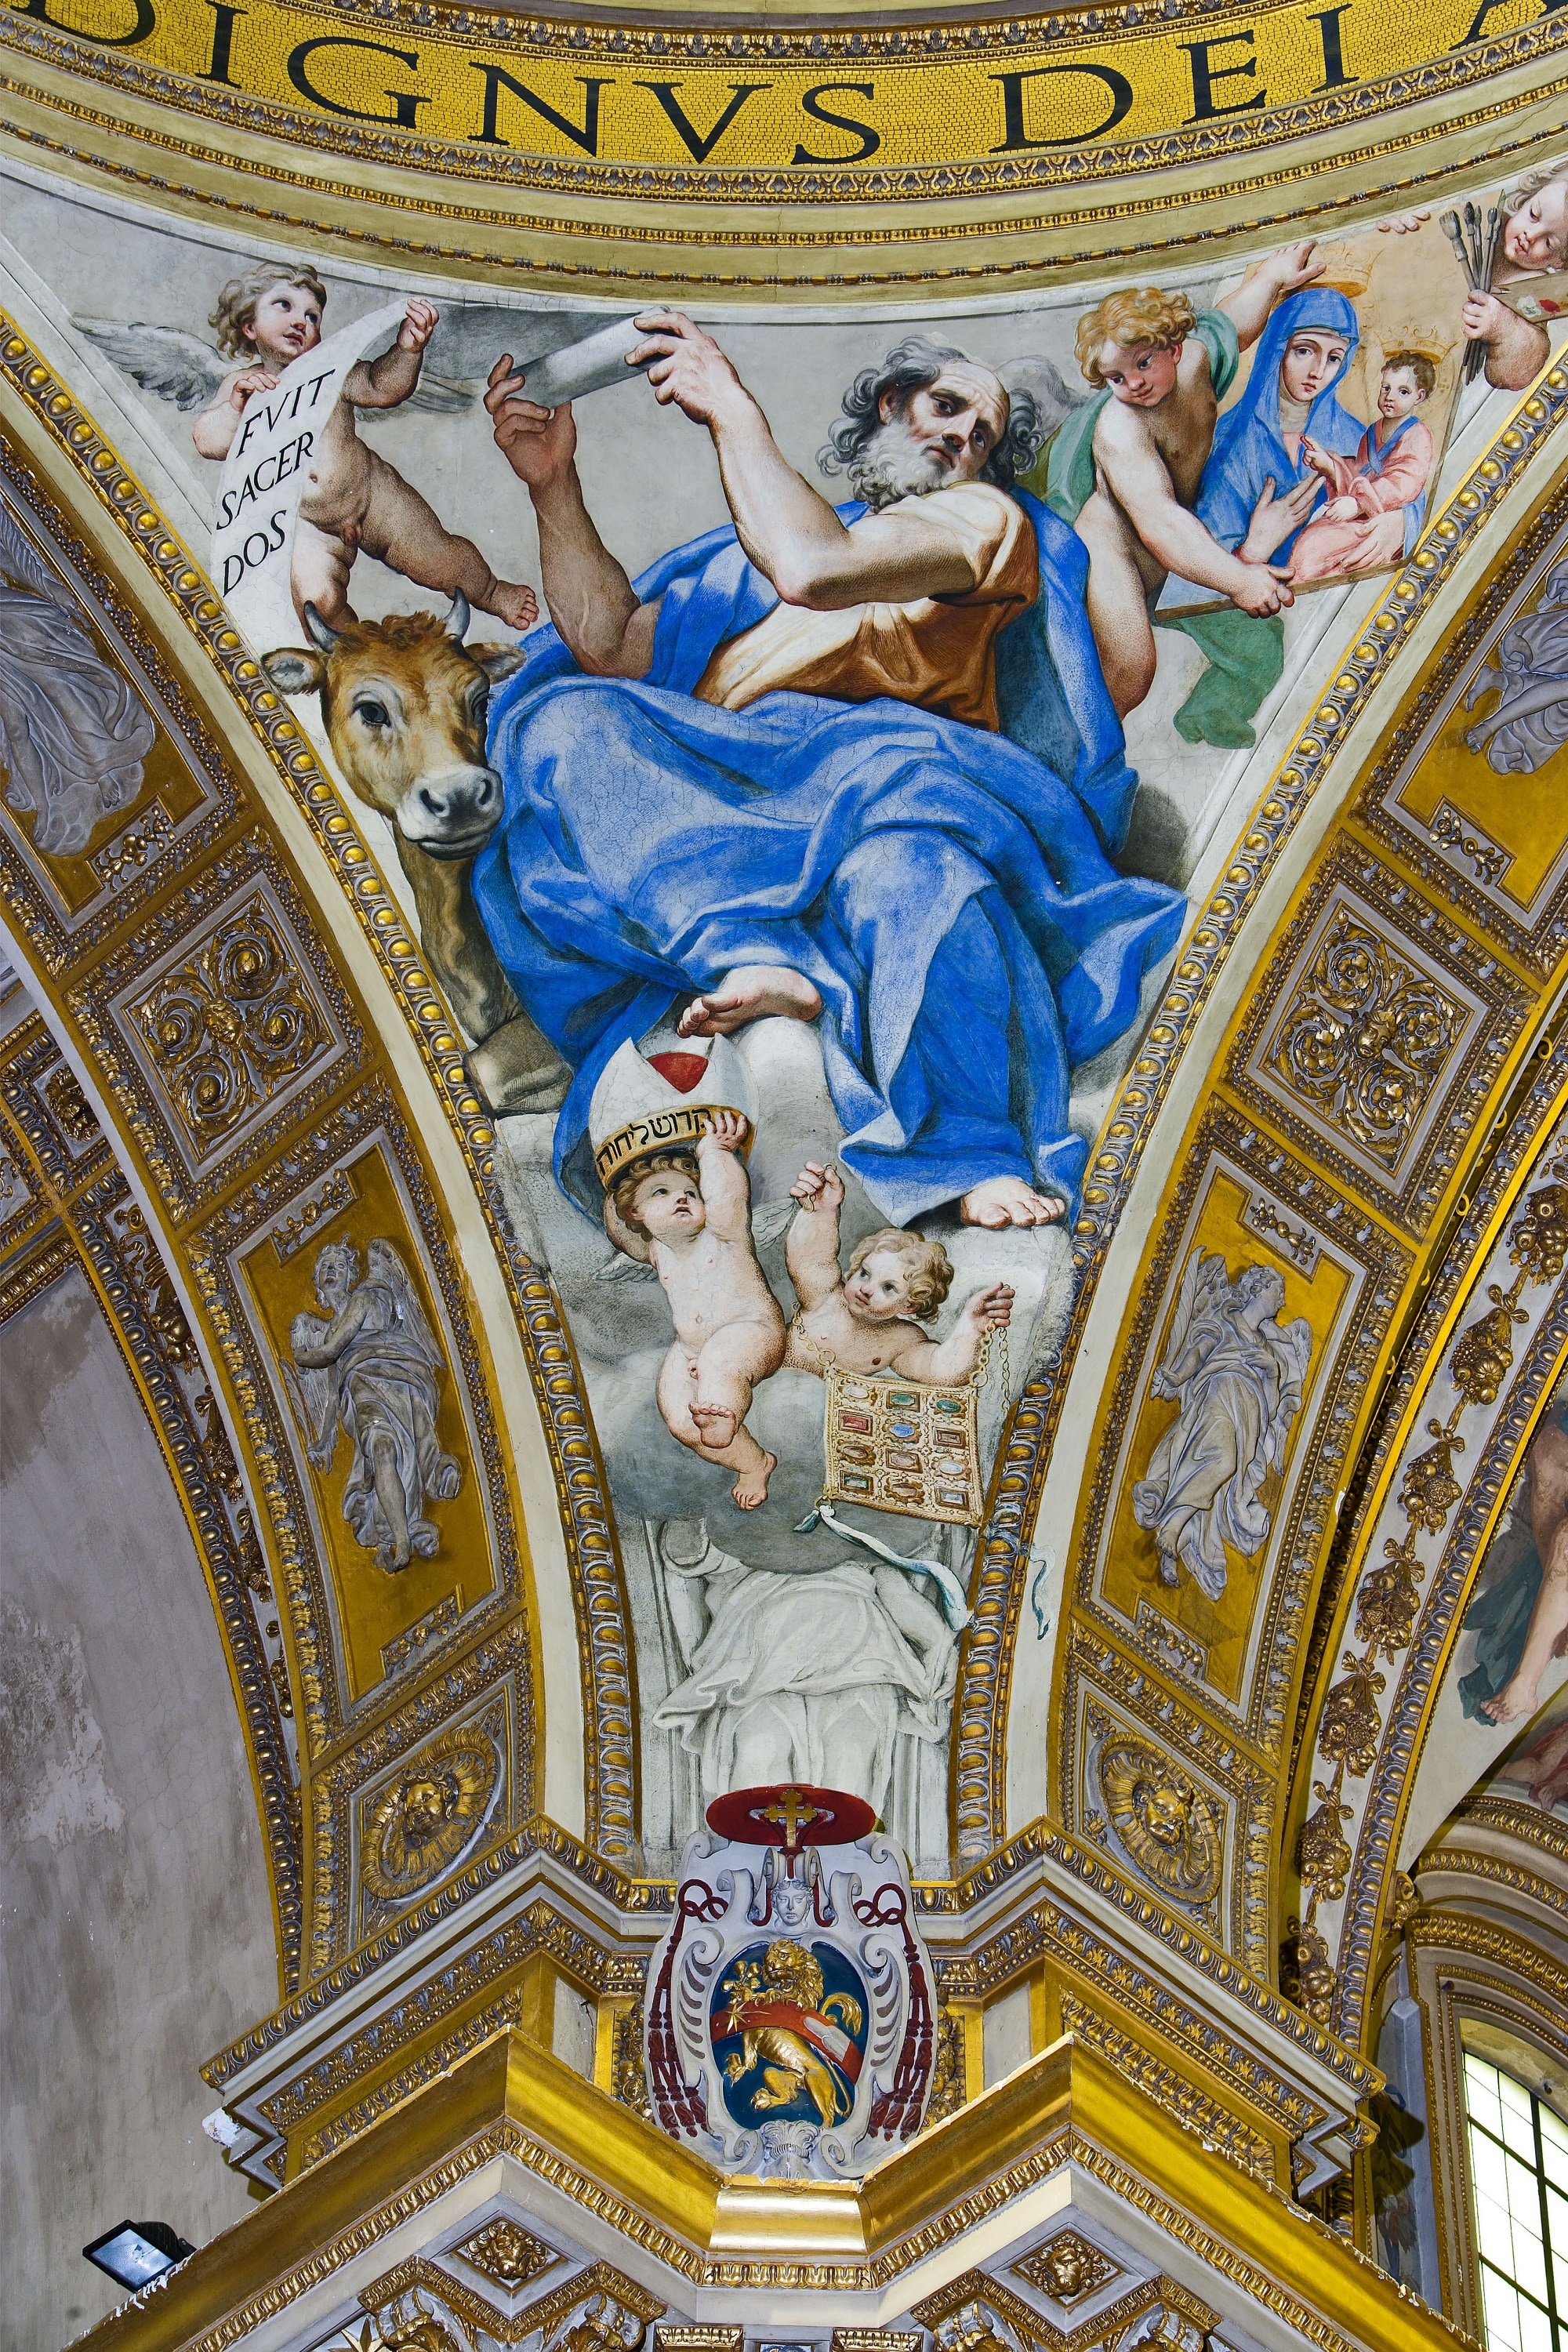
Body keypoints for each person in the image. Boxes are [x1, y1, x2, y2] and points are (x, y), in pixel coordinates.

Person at [475, 319, 1186, 1236]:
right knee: (564, 721)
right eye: (944, 407)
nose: (959, 439)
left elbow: (814, 571)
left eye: (979, 437)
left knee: (911, 878)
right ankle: (760, 955)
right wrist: (552, 485)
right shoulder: (758, 549)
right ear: (890, 406)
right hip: (735, 807)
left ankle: (965, 1149)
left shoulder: (980, 523)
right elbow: (609, 643)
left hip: (893, 785)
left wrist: (729, 409)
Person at [1033, 245, 1328, 717]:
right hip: (1114, 548)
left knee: (1248, 649)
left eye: (1143, 363)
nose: (1133, 384)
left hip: (1174, 543)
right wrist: (1239, 580)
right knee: (1130, 673)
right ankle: (1073, 761)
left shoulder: (1196, 362)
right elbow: (1161, 521)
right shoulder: (1120, 429)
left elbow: (1232, 323)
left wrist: (1272, 278)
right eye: (1116, 377)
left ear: (1173, 348)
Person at [192, 264, 539, 632]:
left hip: (371, 495)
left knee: (439, 560)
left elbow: (380, 387)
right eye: (284, 306)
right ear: (249, 326)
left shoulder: (329, 371)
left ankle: (492, 591)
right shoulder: (241, 385)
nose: (301, 321)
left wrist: (407, 350)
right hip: (308, 523)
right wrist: (235, 410)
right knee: (316, 602)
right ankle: (350, 650)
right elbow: (208, 442)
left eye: (312, 316)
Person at [1159, 289, 1365, 748]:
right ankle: (1211, 712)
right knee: (1260, 647)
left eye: (1334, 358)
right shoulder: (1232, 440)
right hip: (1226, 589)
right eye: (1305, 351)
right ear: (1278, 349)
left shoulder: (1352, 439)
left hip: (1315, 595)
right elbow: (1191, 554)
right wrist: (1253, 547)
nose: (1317, 371)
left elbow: (1394, 499)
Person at [604, 1115, 787, 1510]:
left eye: (691, 1191)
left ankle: (725, 1410)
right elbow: (620, 1235)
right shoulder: (657, 1250)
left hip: (752, 1333)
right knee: (682, 1422)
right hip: (691, 1349)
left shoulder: (723, 1233)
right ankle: (754, 1463)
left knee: (721, 1360)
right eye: (661, 1193)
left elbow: (727, 1199)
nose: (682, 1198)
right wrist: (612, 1186)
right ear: (637, 1213)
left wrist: (715, 1153)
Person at [784, 1160, 1014, 1381]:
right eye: (865, 1273)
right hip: (770, 1382)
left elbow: (938, 1370)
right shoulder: (826, 1298)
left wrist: (971, 1327)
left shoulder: (901, 1339)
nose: (867, 1289)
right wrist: (822, 1210)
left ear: (910, 1305)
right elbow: (811, 1259)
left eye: (889, 1288)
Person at [1379, 164, 1568, 390]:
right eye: (1534, 215)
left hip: (1428, 366)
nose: (1531, 235)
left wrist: (1502, 328)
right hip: (1397, 305)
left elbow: (1514, 373)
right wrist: (1401, 211)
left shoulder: (1534, 288)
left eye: (1549, 243)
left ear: (1559, 260)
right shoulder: (1488, 221)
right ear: (1524, 200)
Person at [1286, 351, 1436, 583]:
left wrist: (1358, 502)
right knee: (1311, 538)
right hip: (1363, 511)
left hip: (1383, 517)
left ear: (1419, 396)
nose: (1390, 397)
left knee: (1315, 546)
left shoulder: (1417, 435)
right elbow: (1360, 472)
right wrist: (1329, 465)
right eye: (1386, 388)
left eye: (1402, 391)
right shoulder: (1372, 432)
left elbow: (1403, 483)